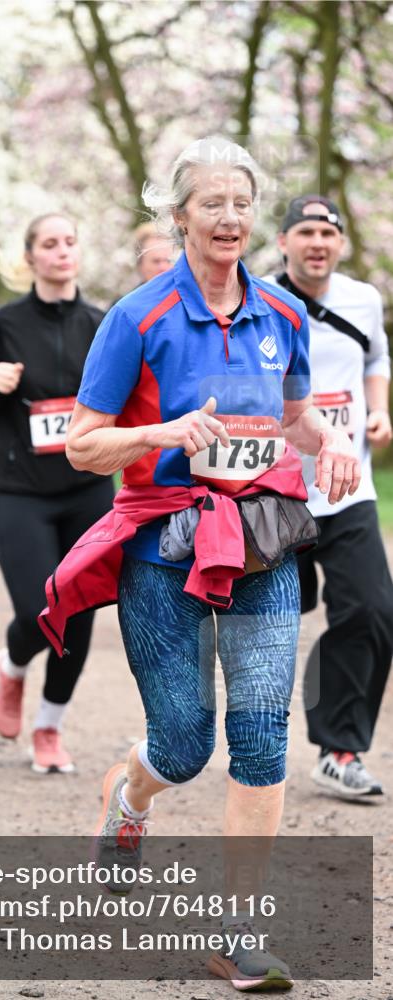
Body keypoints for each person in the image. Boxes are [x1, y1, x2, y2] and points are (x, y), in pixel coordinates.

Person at [40, 137, 360, 990]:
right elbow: (81, 445)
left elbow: (294, 416)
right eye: (210, 203)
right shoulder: (136, 318)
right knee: (182, 747)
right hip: (163, 548)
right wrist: (161, 433)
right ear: (177, 215)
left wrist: (330, 441)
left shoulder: (282, 313)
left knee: (260, 737)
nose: (228, 218)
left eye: (240, 204)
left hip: (261, 542)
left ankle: (238, 933)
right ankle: (128, 795)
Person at [0, 213, 114, 774]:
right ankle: (13, 666)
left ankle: (49, 726)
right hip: (19, 488)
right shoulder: (2, 324)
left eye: (70, 241)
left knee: (81, 611)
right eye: (50, 244)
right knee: (39, 609)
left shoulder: (103, 323)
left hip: (87, 487)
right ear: (30, 257)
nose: (62, 251)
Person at [266, 195, 392, 800]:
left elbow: (376, 356)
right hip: (276, 494)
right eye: (306, 232)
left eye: (328, 233)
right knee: (266, 628)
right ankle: (243, 749)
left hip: (348, 488)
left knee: (372, 611)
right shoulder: (257, 300)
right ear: (284, 242)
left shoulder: (363, 298)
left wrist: (379, 410)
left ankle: (339, 750)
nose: (317, 242)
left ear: (340, 243)